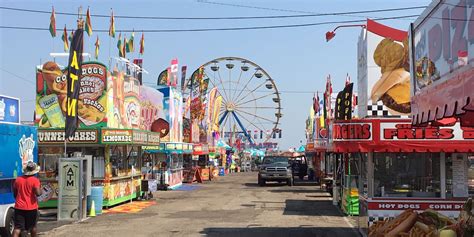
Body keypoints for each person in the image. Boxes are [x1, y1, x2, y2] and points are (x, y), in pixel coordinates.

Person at [13, 161, 42, 237]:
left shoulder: (18, 180)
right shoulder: (35, 180)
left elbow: (15, 194)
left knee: (17, 228)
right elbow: (38, 193)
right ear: (34, 171)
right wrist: (41, 189)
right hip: (31, 208)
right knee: (33, 227)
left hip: (19, 207)